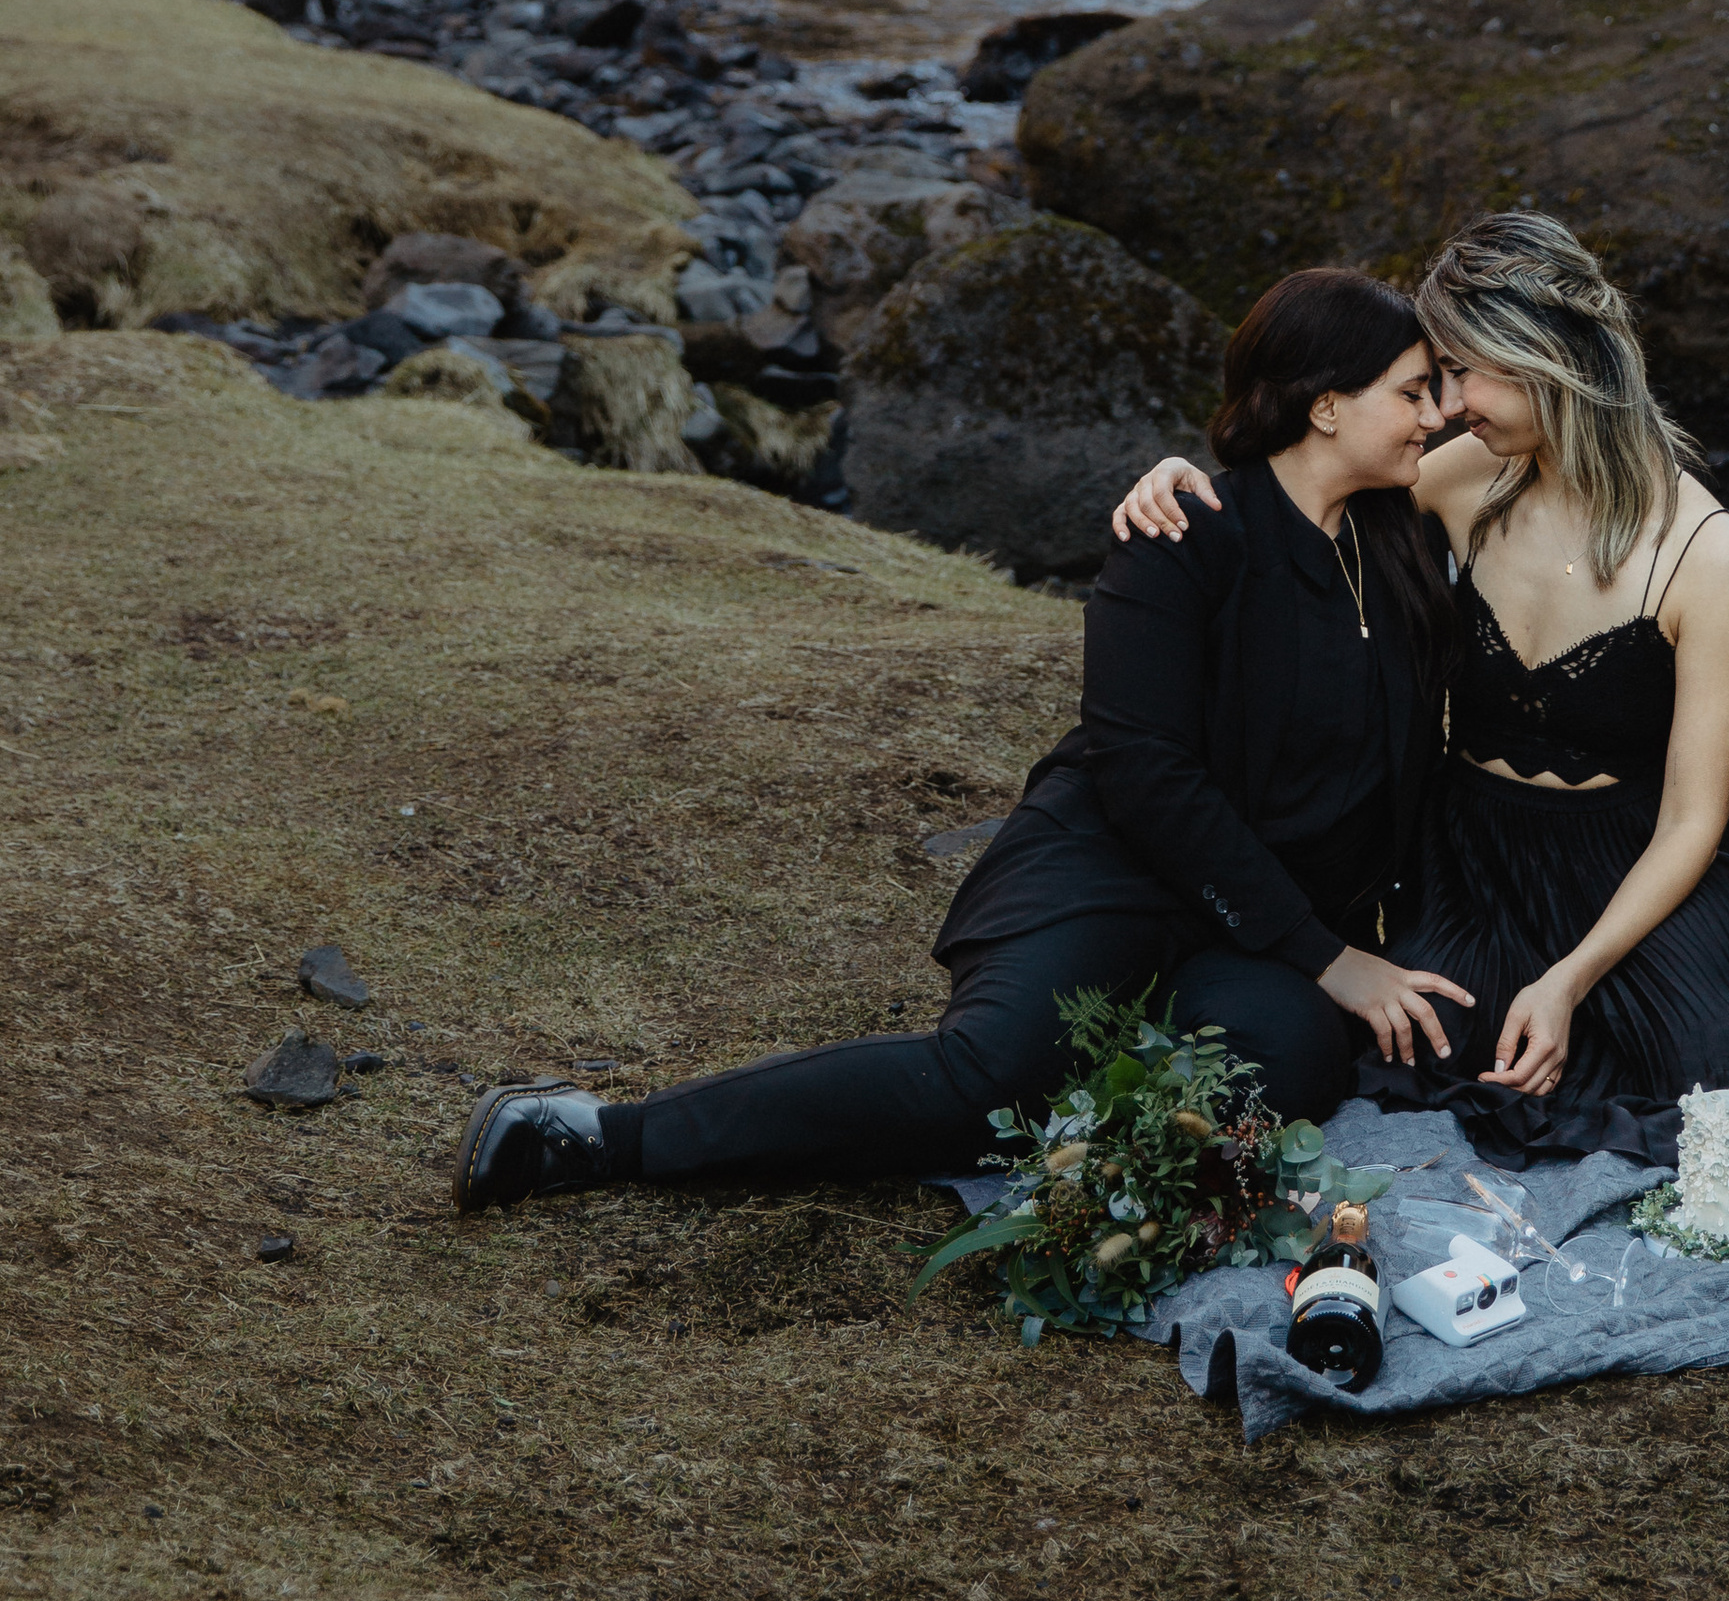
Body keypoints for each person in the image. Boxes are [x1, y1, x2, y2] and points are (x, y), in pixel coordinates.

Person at [454, 268, 1472, 1213]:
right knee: (990, 1081)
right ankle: (595, 1136)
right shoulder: (1182, 533)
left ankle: (1101, 1182)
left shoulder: (1405, 537)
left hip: (1258, 923)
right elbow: (1141, 770)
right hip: (1114, 869)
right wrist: (1325, 956)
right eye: (1415, 392)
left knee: (1294, 1062)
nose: (1440, 414)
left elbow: (1545, 440)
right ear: (1325, 403)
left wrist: (1330, 949)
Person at [1108, 208, 1729, 1165]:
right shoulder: (1459, 478)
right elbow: (1303, 485)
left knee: (1717, 1068)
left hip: (1631, 874)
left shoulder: (1707, 555)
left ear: (1546, 360)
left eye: (1462, 372)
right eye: (1434, 378)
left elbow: (1694, 821)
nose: (1445, 405)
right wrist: (1186, 481)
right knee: (1427, 1041)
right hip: (1470, 864)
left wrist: (1570, 979)